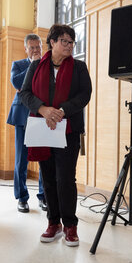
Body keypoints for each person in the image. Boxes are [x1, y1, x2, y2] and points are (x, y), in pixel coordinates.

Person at [20, 24, 92, 246]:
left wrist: (62, 110)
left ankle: (70, 225)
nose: (69, 45)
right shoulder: (36, 66)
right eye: (65, 41)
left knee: (66, 178)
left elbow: (85, 94)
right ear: (52, 42)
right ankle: (54, 222)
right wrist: (43, 109)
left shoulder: (79, 67)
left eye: (72, 42)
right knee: (48, 177)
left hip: (68, 129)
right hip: (42, 128)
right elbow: (24, 93)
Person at [7, 33, 47, 213]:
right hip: (23, 116)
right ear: (25, 49)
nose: (36, 50)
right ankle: (22, 198)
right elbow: (17, 82)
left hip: (42, 116)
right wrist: (32, 65)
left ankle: (44, 197)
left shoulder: (48, 64)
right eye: (32, 47)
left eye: (38, 46)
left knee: (44, 159)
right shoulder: (19, 65)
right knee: (21, 160)